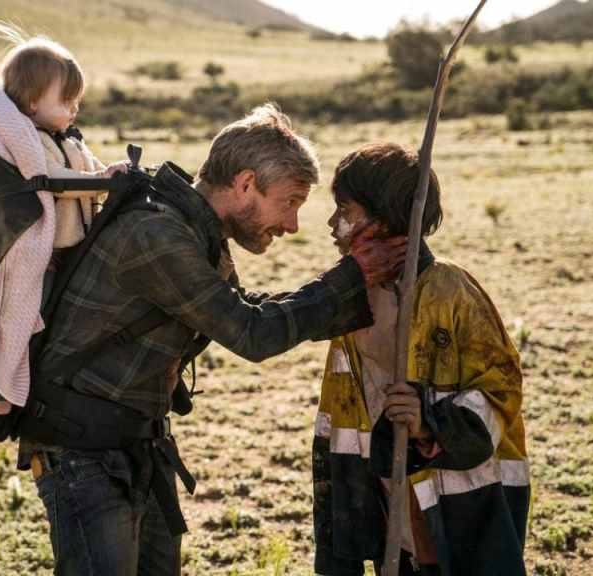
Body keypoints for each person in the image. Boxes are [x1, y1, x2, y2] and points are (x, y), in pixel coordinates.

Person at [20, 104, 407, 575]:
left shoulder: (196, 232)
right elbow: (250, 332)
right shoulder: (157, 233)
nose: (292, 225)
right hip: (83, 453)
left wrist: (356, 293)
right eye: (290, 202)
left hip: (133, 445)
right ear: (245, 184)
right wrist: (352, 275)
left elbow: (249, 309)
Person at [312, 142, 529, 576]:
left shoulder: (451, 291)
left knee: (437, 559)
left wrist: (429, 421)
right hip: (376, 484)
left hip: (451, 490)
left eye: (345, 210)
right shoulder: (351, 296)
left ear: (388, 221)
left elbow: (501, 387)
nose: (333, 224)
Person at [0, 26, 128, 416]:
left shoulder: (68, 138)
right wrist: (101, 184)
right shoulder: (27, 141)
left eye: (77, 101)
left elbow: (87, 169)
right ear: (30, 104)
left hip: (70, 246)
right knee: (23, 313)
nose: (74, 109)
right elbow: (51, 181)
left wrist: (108, 174)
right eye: (66, 101)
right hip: (38, 251)